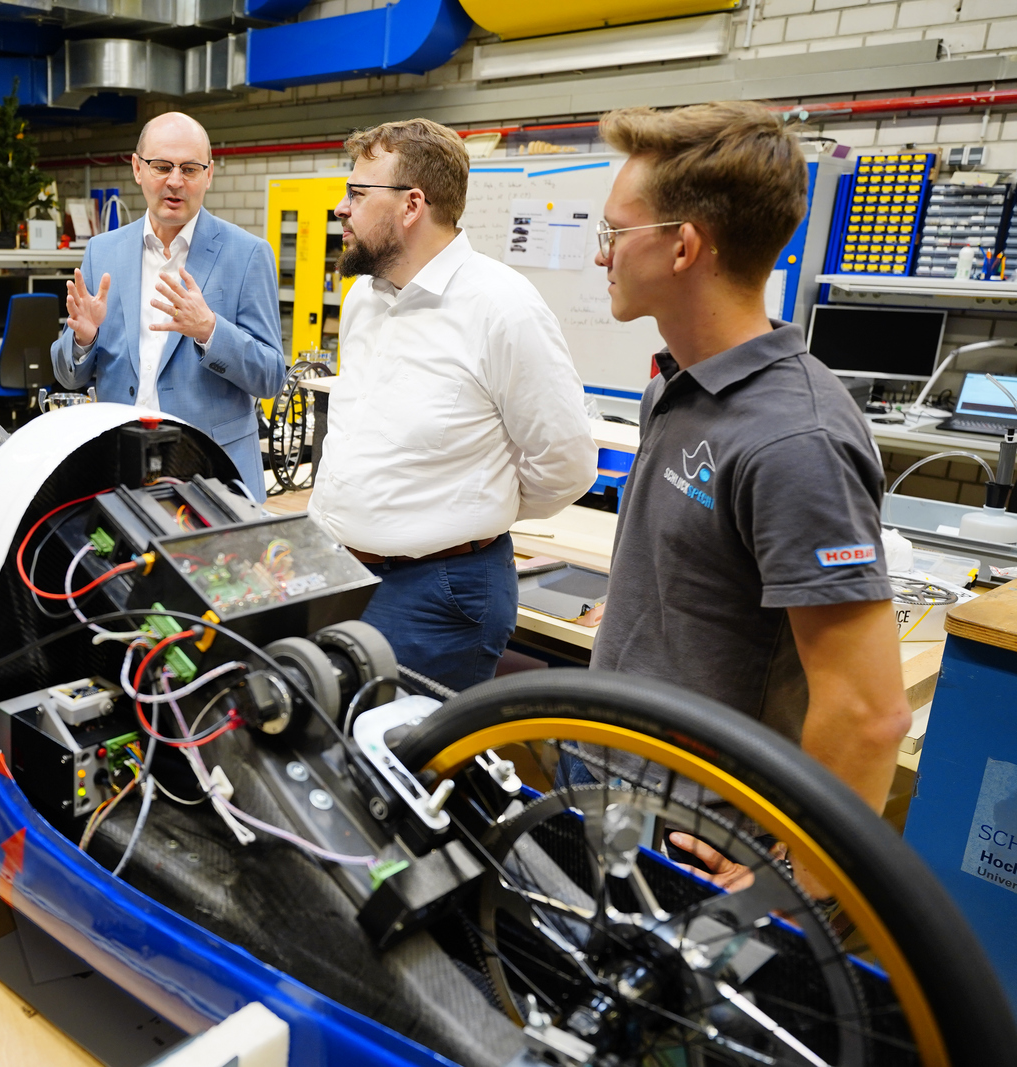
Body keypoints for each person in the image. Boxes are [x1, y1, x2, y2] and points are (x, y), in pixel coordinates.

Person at [589, 102, 911, 879]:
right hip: (616, 771)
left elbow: (871, 715)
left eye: (614, 234)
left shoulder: (796, 439)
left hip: (699, 828)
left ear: (683, 247)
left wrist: (793, 877)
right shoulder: (677, 382)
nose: (601, 257)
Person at [308, 119, 598, 691]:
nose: (341, 208)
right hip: (339, 574)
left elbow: (567, 463)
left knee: (404, 767)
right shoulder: (365, 296)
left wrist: (473, 509)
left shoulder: (501, 307)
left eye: (357, 194)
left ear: (412, 204)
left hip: (434, 594)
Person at [49, 112, 287, 497]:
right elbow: (68, 376)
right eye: (161, 166)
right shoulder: (102, 251)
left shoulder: (247, 254)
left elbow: (272, 376)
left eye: (190, 168)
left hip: (212, 476)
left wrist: (211, 330)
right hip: (120, 469)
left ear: (209, 175)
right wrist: (84, 340)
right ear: (137, 169)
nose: (175, 181)